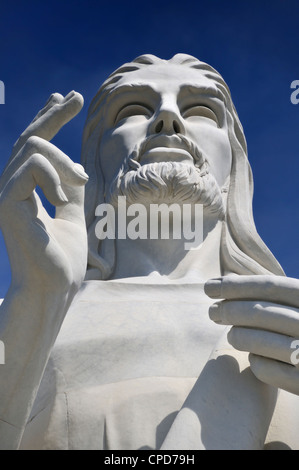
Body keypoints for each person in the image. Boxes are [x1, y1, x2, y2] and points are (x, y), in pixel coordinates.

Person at [0, 54, 299, 450]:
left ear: (234, 165)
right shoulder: (25, 311)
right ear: (96, 161)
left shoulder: (284, 319)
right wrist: (34, 310)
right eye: (134, 109)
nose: (168, 118)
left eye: (201, 110)